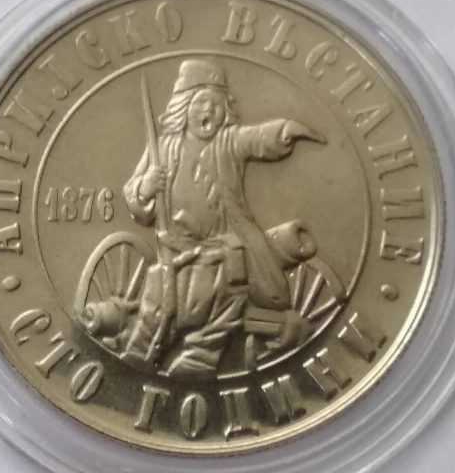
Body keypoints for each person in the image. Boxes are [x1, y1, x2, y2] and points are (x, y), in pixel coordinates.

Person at [121, 59, 326, 377]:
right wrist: (146, 186)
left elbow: (257, 138)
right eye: (201, 103)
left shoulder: (228, 143)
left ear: (225, 110)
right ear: (183, 108)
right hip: (175, 246)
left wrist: (284, 131)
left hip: (221, 245)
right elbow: (133, 194)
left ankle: (200, 357)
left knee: (222, 295)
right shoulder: (163, 148)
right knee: (159, 299)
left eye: (216, 104)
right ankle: (140, 350)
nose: (209, 111)